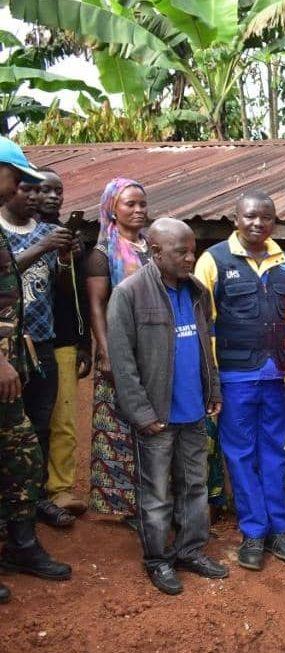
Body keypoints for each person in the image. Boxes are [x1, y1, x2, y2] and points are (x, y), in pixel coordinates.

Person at [107, 218, 227, 595]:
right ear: (156, 252)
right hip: (156, 416)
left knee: (194, 486)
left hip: (193, 412)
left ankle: (190, 549)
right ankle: (157, 559)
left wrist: (213, 391)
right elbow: (122, 363)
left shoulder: (196, 292)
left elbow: (206, 348)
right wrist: (141, 414)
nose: (191, 258)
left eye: (193, 250)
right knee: (156, 492)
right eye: (182, 252)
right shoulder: (129, 294)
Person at [194, 190, 285, 571]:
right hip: (234, 376)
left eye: (266, 217)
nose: (258, 223)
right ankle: (253, 532)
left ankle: (279, 530)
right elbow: (203, 324)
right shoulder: (213, 261)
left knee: (276, 454)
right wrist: (210, 380)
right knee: (241, 456)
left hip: (277, 375)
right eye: (250, 216)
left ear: (275, 221)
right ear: (235, 219)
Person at [0, 136, 72, 603]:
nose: (25, 186)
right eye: (19, 177)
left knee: (22, 456)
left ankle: (21, 544)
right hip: (3, 360)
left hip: (24, 352)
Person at [87, 178, 152, 522]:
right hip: (121, 350)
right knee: (120, 427)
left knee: (152, 424)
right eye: (131, 204)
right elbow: (96, 306)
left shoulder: (153, 247)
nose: (139, 210)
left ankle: (154, 500)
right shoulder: (102, 254)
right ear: (113, 207)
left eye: (143, 204)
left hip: (154, 350)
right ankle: (127, 507)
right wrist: (106, 351)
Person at [34, 169, 93, 517]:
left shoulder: (73, 239)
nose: (53, 197)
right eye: (45, 190)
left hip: (64, 338)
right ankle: (30, 490)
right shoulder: (20, 235)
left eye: (58, 190)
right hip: (26, 341)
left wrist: (85, 342)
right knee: (31, 420)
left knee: (63, 419)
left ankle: (60, 489)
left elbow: (80, 296)